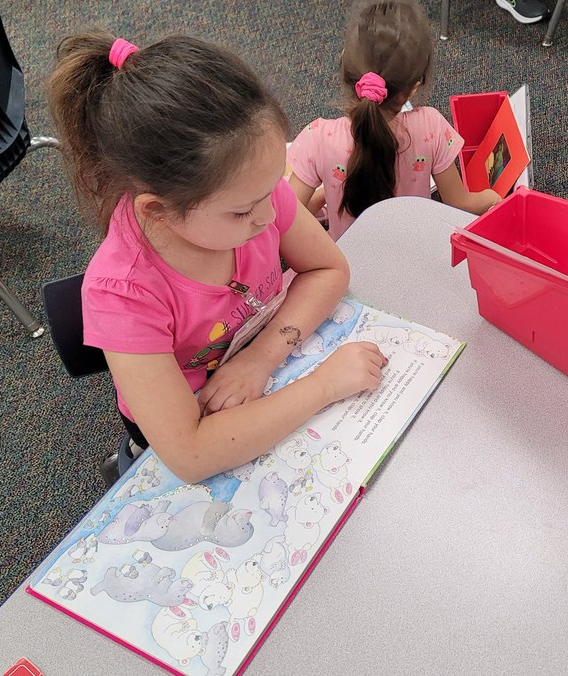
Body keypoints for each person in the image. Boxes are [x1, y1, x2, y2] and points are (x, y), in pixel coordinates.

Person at [46, 33, 387, 484]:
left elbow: (329, 268)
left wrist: (259, 360)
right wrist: (323, 385)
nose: (270, 217)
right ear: (158, 210)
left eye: (270, 191)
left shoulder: (245, 187)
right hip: (197, 418)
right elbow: (191, 454)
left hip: (262, 362)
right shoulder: (123, 294)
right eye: (243, 211)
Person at [287, 0, 501, 241]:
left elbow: (286, 215)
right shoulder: (431, 126)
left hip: (346, 266)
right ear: (414, 87)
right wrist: (491, 198)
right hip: (416, 255)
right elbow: (459, 203)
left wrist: (322, 196)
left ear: (347, 69)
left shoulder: (318, 137)